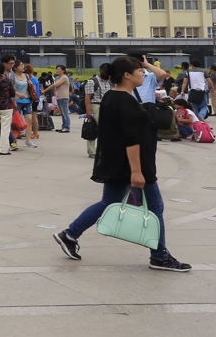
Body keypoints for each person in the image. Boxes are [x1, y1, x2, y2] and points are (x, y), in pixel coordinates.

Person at [54, 54, 191, 272]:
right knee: (155, 207)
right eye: (139, 71)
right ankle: (159, 256)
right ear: (127, 75)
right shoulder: (126, 101)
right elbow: (131, 139)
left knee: (109, 202)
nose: (143, 73)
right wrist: (137, 171)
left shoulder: (111, 96)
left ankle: (70, 234)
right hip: (133, 163)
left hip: (116, 161)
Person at [49, 65, 74, 132]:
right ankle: (63, 126)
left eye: (58, 69)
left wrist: (45, 90)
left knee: (65, 112)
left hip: (64, 97)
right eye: (56, 69)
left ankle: (67, 127)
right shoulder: (58, 78)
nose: (57, 70)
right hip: (59, 97)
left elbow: (55, 85)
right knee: (62, 113)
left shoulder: (64, 77)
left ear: (63, 70)